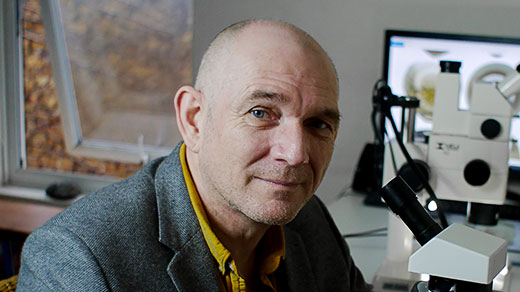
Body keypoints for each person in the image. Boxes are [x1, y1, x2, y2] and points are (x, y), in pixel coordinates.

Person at [17, 19, 372, 292]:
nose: (295, 154)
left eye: (318, 124)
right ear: (194, 119)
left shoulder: (310, 219)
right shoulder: (77, 258)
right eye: (261, 113)